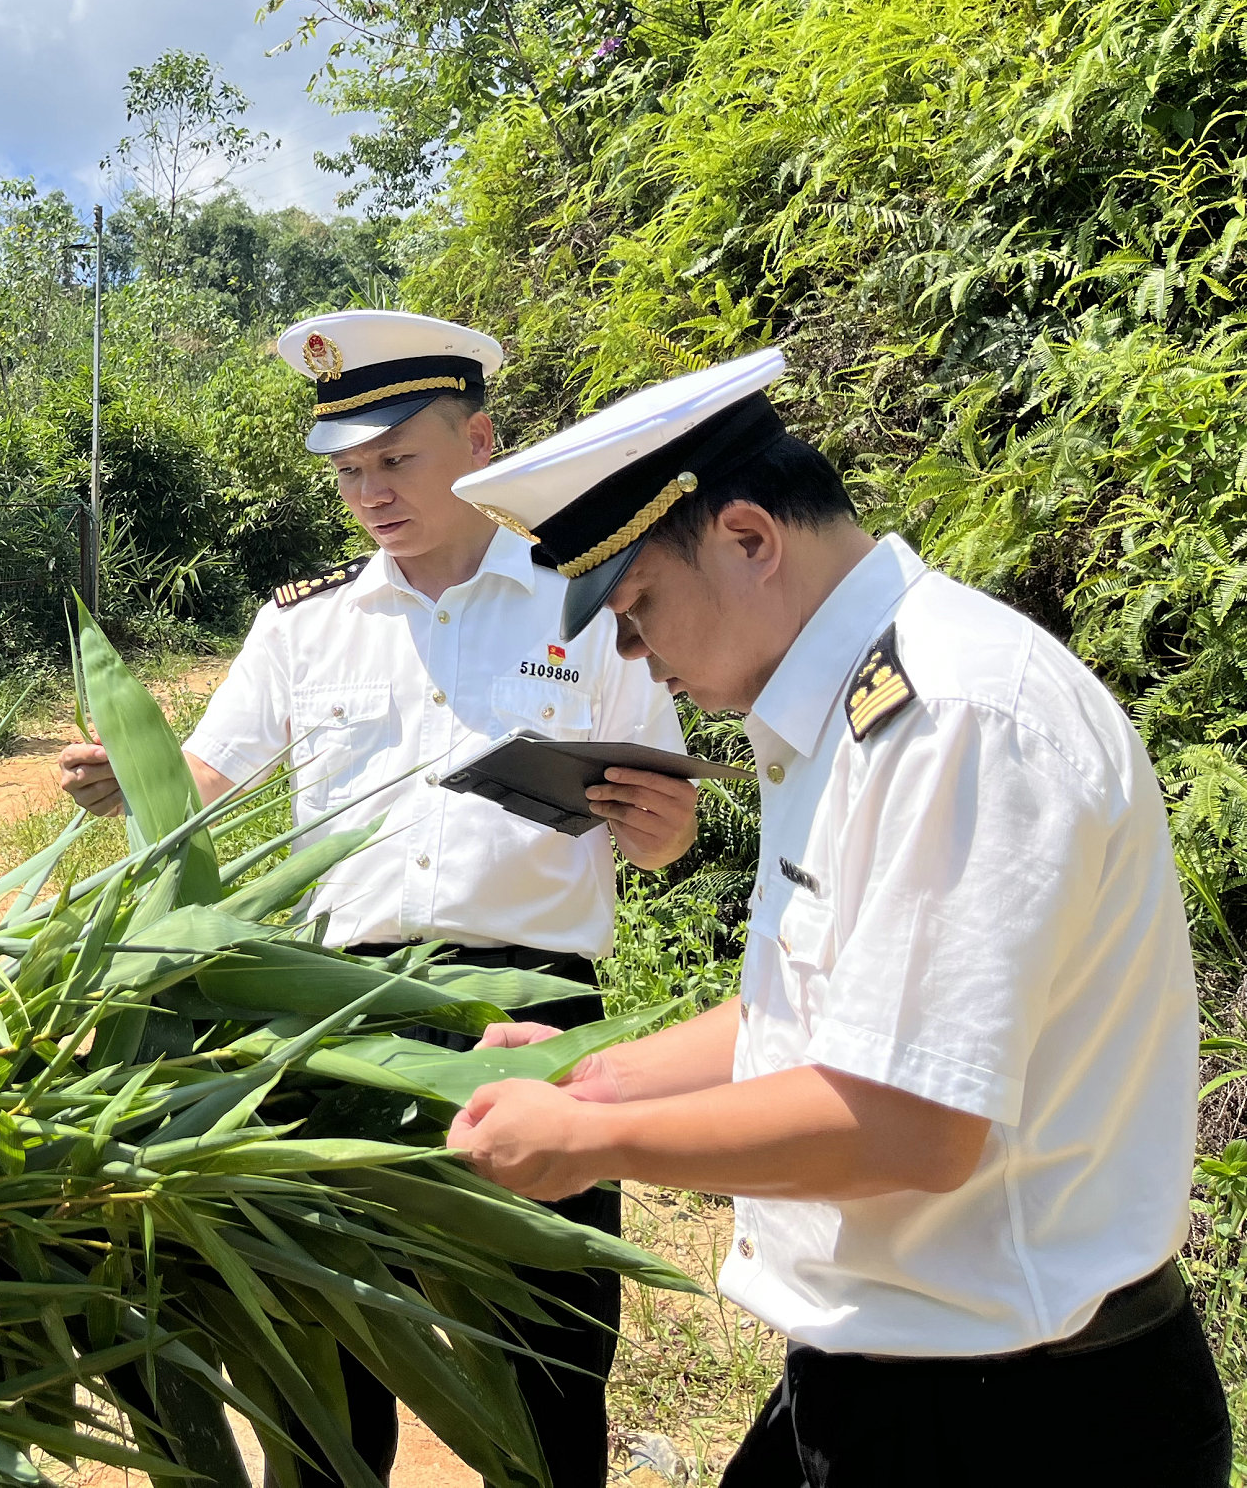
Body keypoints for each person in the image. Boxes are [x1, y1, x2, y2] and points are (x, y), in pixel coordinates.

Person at [444, 346, 1228, 1485]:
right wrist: (591, 1072)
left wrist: (594, 1143)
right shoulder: (844, 708)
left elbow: (909, 1121)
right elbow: (809, 1012)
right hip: (890, 1378)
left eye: (637, 609)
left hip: (1021, 1418)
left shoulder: (951, 717)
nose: (634, 659)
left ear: (750, 539)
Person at [56, 309, 701, 1488]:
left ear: (480, 440)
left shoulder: (585, 608)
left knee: (546, 1342)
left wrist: (665, 829)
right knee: (328, 1343)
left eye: (396, 458)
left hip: (531, 1012)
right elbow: (202, 777)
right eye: (349, 470)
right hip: (334, 1014)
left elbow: (661, 822)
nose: (369, 492)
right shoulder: (303, 623)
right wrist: (125, 782)